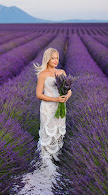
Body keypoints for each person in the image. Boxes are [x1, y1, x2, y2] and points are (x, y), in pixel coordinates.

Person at [33, 47, 72, 175]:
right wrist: (55, 98)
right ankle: (46, 158)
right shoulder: (43, 74)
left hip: (60, 107)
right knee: (47, 131)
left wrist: (66, 96)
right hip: (47, 108)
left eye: (57, 58)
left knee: (58, 131)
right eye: (53, 58)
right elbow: (39, 94)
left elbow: (69, 90)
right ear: (47, 59)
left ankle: (56, 155)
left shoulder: (62, 72)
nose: (56, 61)